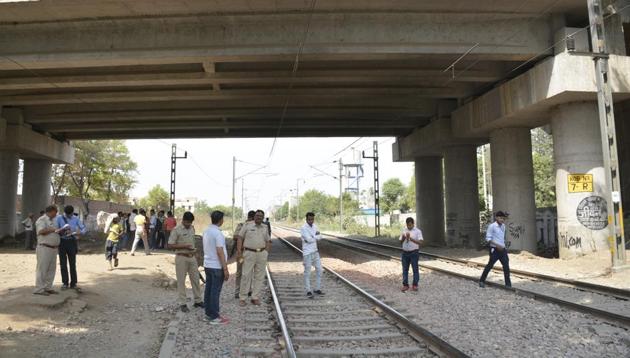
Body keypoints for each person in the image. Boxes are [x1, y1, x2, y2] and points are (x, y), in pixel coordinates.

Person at [167, 211, 203, 312]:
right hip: (181, 257)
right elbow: (170, 245)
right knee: (181, 281)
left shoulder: (192, 228)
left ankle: (198, 301)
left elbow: (193, 242)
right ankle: (183, 303)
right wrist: (184, 246)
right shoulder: (176, 230)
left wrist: (196, 253)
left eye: (190, 223)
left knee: (195, 279)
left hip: (192, 257)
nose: (189, 225)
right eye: (187, 222)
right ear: (183, 220)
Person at [237, 210, 271, 306]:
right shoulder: (247, 225)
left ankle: (254, 297)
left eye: (261, 216)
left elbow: (268, 240)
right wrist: (239, 252)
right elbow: (240, 238)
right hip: (249, 253)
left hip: (261, 254)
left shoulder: (265, 227)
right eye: (257, 215)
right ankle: (242, 298)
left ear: (263, 218)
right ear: (254, 216)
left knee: (259, 277)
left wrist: (266, 252)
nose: (259, 217)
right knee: (245, 275)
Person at [203, 210, 230, 324]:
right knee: (215, 291)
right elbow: (220, 251)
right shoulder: (218, 233)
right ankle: (215, 317)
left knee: (208, 290)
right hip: (216, 266)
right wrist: (225, 268)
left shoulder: (206, 231)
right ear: (220, 220)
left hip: (207, 265)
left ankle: (208, 313)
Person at [56, 205, 87, 291]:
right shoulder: (59, 218)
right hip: (62, 242)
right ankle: (65, 283)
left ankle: (73, 283)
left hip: (72, 242)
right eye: (67, 215)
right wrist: (62, 229)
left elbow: (84, 229)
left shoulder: (76, 218)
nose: (69, 216)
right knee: (63, 264)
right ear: (64, 213)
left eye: (70, 215)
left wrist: (79, 232)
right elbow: (56, 230)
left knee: (72, 264)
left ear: (72, 213)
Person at [33, 205, 62, 296]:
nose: (56, 213)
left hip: (53, 248)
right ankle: (39, 289)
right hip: (44, 247)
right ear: (50, 211)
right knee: (42, 269)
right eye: (55, 211)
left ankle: (48, 287)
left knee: (51, 269)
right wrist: (52, 229)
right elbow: (41, 231)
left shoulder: (54, 220)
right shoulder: (42, 220)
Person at [479, 211, 512, 288]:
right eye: (500, 218)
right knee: (490, 265)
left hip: (502, 249)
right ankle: (481, 281)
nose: (502, 220)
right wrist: (497, 245)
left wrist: (502, 246)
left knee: (506, 266)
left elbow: (501, 237)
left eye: (503, 218)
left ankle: (508, 284)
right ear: (496, 218)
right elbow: (488, 239)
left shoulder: (503, 226)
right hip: (494, 249)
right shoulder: (492, 226)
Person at [300, 212, 324, 298]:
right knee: (308, 272)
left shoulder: (315, 226)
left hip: (315, 251)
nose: (311, 221)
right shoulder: (303, 228)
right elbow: (309, 240)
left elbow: (320, 236)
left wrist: (313, 237)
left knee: (320, 270)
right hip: (307, 253)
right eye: (309, 219)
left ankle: (317, 288)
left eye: (312, 219)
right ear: (306, 219)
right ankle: (308, 290)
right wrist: (315, 237)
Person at [233, 210, 255, 299]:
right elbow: (235, 236)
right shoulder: (241, 225)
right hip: (241, 253)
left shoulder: (256, 227)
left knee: (249, 271)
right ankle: (237, 291)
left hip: (251, 253)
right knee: (239, 272)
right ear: (250, 218)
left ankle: (248, 290)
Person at [399, 217, 423, 292]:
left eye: (410, 225)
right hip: (405, 252)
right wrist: (403, 238)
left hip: (414, 252)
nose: (409, 226)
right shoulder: (404, 230)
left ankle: (415, 285)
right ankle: (405, 285)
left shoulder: (417, 231)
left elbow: (421, 242)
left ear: (413, 224)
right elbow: (400, 242)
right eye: (407, 225)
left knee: (415, 269)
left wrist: (410, 239)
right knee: (405, 269)